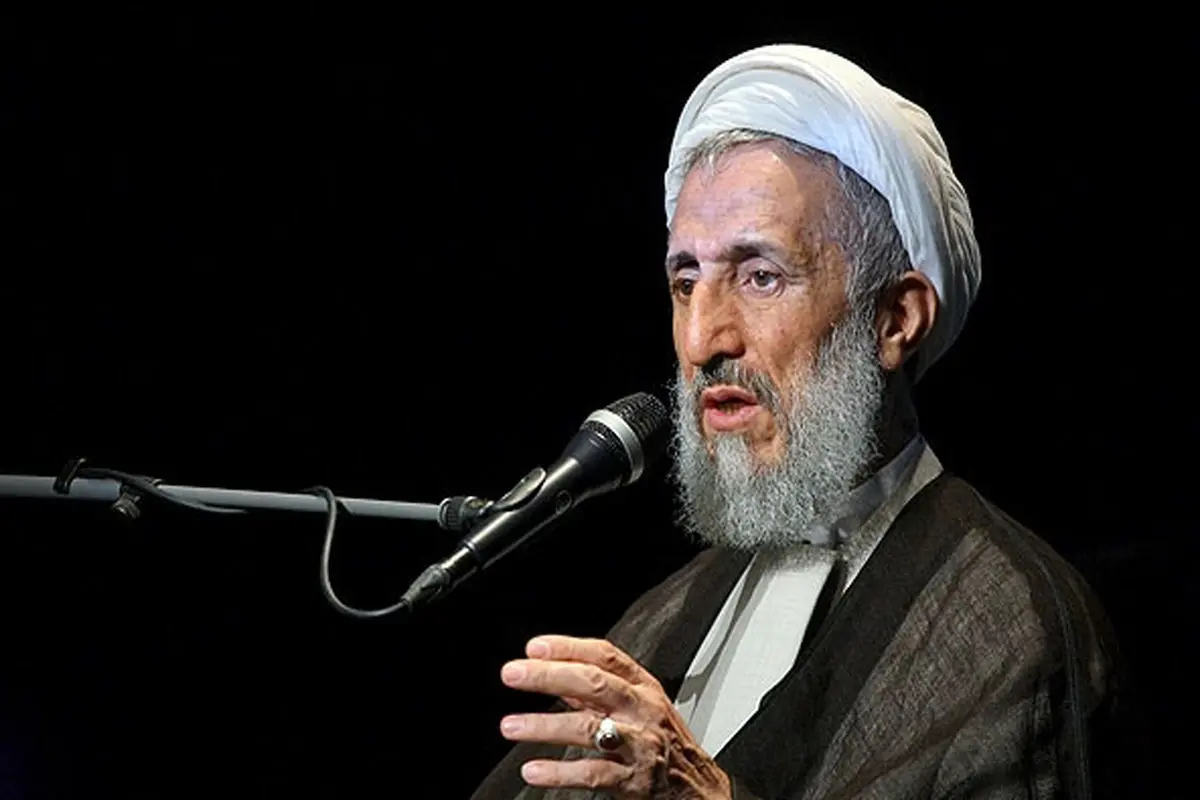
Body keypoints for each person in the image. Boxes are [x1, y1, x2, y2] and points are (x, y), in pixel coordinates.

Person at [471, 45, 1139, 799]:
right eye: (686, 282)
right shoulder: (660, 618)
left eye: (761, 277)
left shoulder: (1008, 617)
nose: (703, 340)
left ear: (895, 319)